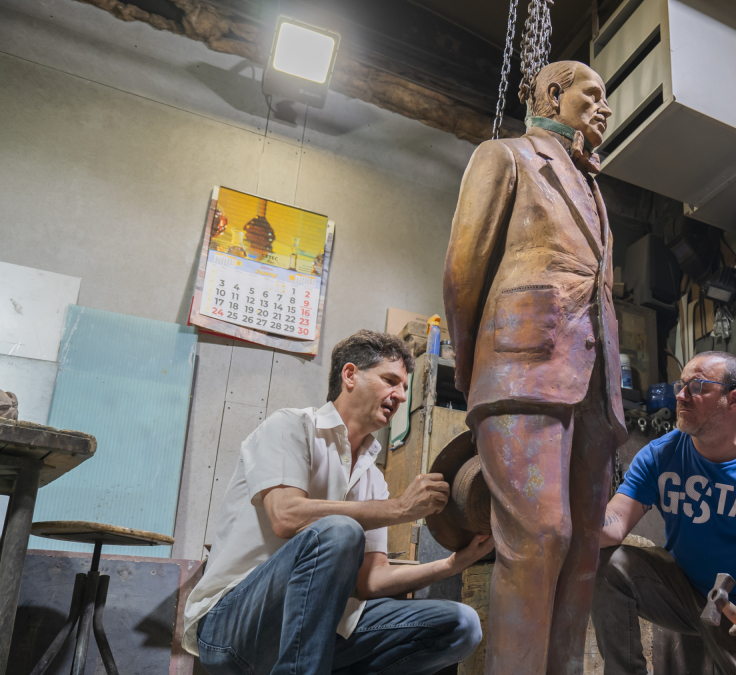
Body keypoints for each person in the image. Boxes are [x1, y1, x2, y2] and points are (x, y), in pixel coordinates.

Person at [443, 61, 627, 674]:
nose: (605, 107)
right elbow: (463, 273)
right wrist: (474, 374)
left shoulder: (596, 188)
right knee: (540, 536)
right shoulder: (506, 157)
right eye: (592, 94)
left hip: (594, 389)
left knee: (582, 549)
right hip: (521, 371)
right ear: (553, 93)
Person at [182, 330, 493, 675]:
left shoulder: (373, 476)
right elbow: (286, 516)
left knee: (461, 625)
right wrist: (401, 509)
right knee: (340, 530)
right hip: (233, 631)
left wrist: (452, 564)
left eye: (405, 387)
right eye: (391, 381)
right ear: (349, 375)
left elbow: (369, 582)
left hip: (320, 634)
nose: (401, 396)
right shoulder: (291, 427)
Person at [592, 351, 736, 675]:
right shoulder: (660, 456)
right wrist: (570, 513)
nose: (681, 396)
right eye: (681, 385)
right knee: (608, 563)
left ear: (733, 399)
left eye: (697, 386)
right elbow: (614, 524)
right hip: (683, 594)